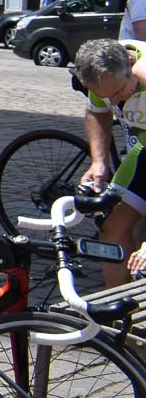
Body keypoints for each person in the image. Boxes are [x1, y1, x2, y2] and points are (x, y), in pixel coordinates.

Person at [73, 38, 146, 285]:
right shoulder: (103, 72)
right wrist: (99, 162)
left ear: (130, 62)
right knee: (112, 226)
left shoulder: (141, 67)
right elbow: (96, 112)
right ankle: (121, 312)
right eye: (107, 96)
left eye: (117, 93)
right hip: (142, 152)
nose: (114, 102)